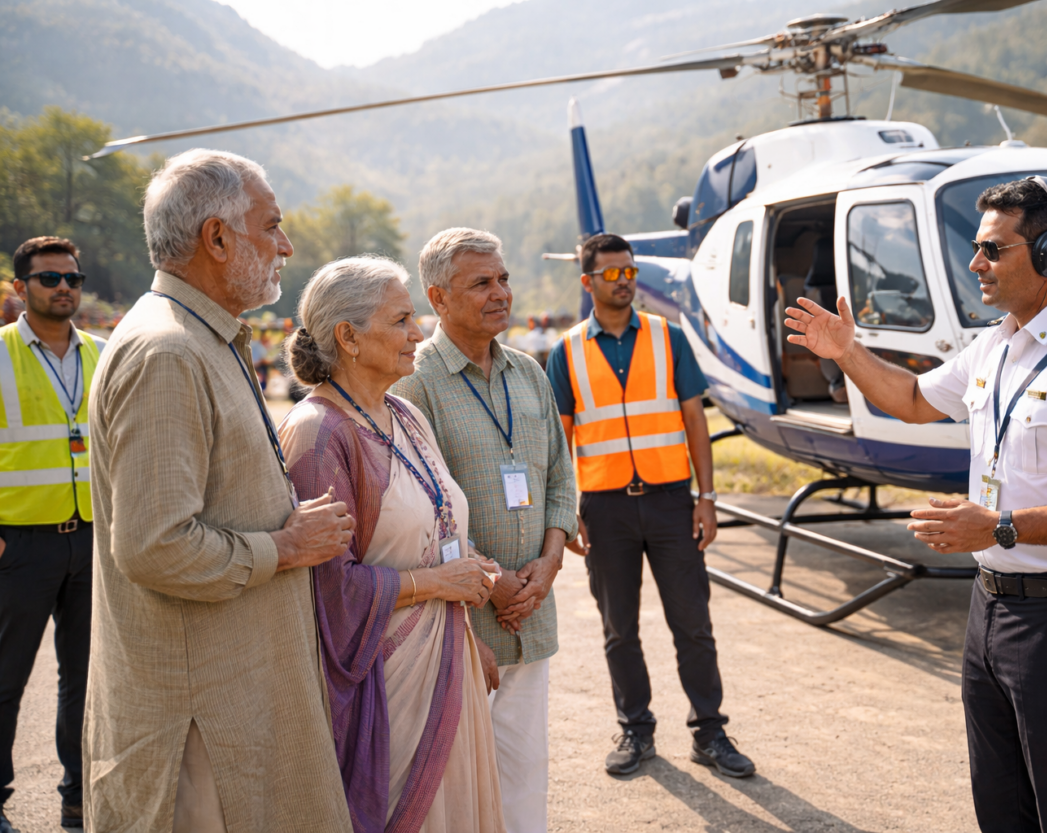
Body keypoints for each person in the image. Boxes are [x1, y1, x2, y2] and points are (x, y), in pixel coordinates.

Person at [785, 177, 1047, 832]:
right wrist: (847, 351)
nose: (975, 264)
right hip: (991, 607)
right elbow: (909, 398)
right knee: (1001, 807)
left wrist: (1003, 526)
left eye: (993, 249)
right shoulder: (994, 344)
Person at [85, 149, 358, 832]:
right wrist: (283, 546)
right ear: (216, 237)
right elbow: (154, 546)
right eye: (272, 226)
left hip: (228, 705)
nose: (286, 245)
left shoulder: (201, 338)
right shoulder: (169, 353)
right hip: (199, 727)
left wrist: (279, 521)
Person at [278, 255, 505, 832]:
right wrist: (436, 585)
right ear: (348, 337)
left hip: (446, 658)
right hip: (382, 685)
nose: (419, 332)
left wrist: (463, 623)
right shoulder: (319, 433)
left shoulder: (403, 414)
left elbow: (435, 525)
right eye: (402, 319)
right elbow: (327, 590)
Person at [545, 233, 755, 779]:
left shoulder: (669, 338)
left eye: (629, 271)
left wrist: (706, 499)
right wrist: (566, 514)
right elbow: (558, 444)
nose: (624, 280)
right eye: (611, 273)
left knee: (694, 624)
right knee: (620, 629)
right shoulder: (565, 352)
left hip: (670, 504)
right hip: (604, 510)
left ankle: (709, 732)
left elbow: (694, 422)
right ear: (588, 282)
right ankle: (636, 730)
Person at [393, 228, 577, 833]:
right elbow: (417, 509)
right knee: (457, 788)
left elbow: (559, 474)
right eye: (482, 283)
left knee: (525, 775)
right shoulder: (414, 385)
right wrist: (494, 582)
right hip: (461, 625)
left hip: (532, 613)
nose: (501, 292)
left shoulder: (528, 372)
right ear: (438, 298)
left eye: (502, 278)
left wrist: (547, 567)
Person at [0, 237, 106, 831]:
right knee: (4, 680)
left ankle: (78, 795)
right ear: (21, 288)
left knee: (86, 679)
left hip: (91, 538)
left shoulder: (105, 354)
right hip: (20, 543)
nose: (64, 287)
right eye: (49, 279)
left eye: (73, 277)